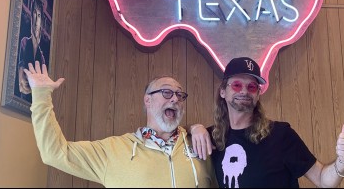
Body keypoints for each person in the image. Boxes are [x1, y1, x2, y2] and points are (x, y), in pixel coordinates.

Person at [24, 61, 217, 188]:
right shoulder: (113, 151)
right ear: (147, 101)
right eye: (166, 92)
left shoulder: (200, 144)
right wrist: (41, 96)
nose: (175, 98)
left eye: (180, 94)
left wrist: (195, 127)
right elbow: (54, 153)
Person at [191, 57, 344, 188]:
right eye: (236, 85)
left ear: (258, 94)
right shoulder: (211, 138)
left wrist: (343, 161)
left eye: (252, 87)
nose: (244, 91)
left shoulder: (281, 134)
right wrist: (194, 128)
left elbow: (323, 180)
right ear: (222, 91)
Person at [17, 0, 46, 102]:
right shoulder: (24, 42)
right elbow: (20, 65)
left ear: (42, 20)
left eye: (38, 15)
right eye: (34, 12)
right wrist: (21, 75)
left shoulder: (42, 57)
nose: (35, 18)